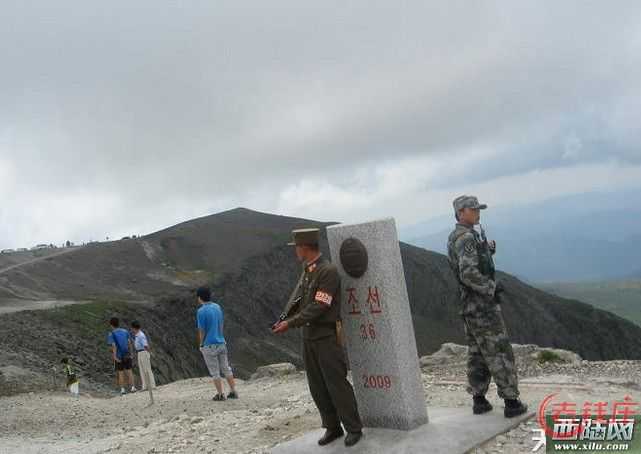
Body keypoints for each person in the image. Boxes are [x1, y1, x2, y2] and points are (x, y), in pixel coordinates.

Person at [272, 228, 363, 448]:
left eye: (296, 247)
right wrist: (284, 317)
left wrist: (291, 323)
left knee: (336, 383)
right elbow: (299, 297)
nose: (295, 251)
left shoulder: (327, 271)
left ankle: (354, 428)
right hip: (309, 337)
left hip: (325, 335)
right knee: (317, 385)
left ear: (304, 247)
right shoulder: (308, 270)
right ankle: (332, 427)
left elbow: (321, 305)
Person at [447, 195, 528, 418]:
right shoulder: (466, 238)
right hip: (482, 306)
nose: (477, 212)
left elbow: (468, 263)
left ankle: (479, 399)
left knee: (478, 353)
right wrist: (491, 287)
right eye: (473, 209)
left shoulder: (459, 236)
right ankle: (512, 402)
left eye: (478, 208)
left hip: (469, 306)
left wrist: (486, 251)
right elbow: (468, 273)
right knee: (499, 350)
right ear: (461, 212)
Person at [196, 286, 238, 401]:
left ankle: (220, 394)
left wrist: (201, 344)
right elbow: (221, 324)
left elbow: (202, 330)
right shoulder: (217, 307)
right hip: (221, 342)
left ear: (199, 297)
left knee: (215, 372)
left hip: (209, 345)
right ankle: (233, 391)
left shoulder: (201, 311)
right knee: (226, 368)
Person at [107, 317, 136, 395]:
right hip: (127, 355)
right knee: (129, 371)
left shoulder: (111, 334)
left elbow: (113, 346)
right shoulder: (125, 331)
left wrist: (115, 357)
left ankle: (123, 390)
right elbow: (129, 343)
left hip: (119, 356)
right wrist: (132, 353)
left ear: (111, 325)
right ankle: (133, 387)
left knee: (121, 373)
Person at [131, 320, 156, 391]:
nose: (132, 330)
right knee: (142, 370)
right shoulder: (137, 335)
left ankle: (152, 385)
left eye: (132, 328)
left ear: (134, 328)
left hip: (143, 352)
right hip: (139, 353)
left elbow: (145, 345)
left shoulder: (141, 335)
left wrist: (149, 352)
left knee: (147, 369)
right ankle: (145, 386)